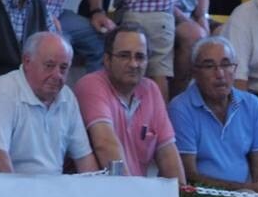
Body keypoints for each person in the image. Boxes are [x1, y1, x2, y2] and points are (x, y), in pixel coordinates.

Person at [74, 23, 185, 180]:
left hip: (135, 193)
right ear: (107, 60)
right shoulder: (91, 85)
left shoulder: (151, 90)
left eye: (140, 57)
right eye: (124, 55)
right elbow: (105, 145)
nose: (133, 64)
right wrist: (130, 195)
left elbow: (167, 152)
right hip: (100, 193)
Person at [0, 32, 99, 173]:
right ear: (27, 62)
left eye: (63, 68)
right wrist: (14, 193)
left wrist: (94, 191)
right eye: (49, 65)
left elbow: (84, 158)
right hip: (15, 188)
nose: (57, 75)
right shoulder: (4, 90)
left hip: (55, 189)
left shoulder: (67, 96)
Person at [168, 35, 258, 191]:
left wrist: (253, 191)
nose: (220, 74)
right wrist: (241, 189)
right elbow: (187, 176)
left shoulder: (252, 105)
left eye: (226, 65)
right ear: (195, 73)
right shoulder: (180, 108)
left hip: (247, 196)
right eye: (209, 66)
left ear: (235, 69)